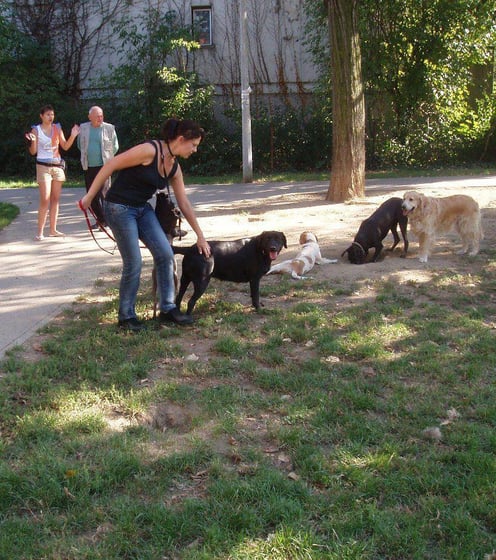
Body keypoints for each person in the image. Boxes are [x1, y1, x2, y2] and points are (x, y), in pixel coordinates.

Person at [78, 117, 211, 332]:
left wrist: (200, 235)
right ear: (181, 139)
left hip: (141, 208)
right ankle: (126, 316)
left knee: (165, 253)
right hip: (119, 207)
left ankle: (168, 308)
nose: (195, 150)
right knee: (134, 261)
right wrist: (89, 197)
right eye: (194, 145)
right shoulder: (149, 150)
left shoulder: (174, 167)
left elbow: (184, 203)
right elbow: (111, 164)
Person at [25, 105, 80, 240]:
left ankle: (53, 230)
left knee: (55, 199)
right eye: (48, 114)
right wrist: (32, 142)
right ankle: (40, 232)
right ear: (41, 116)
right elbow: (33, 152)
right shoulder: (36, 130)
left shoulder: (57, 128)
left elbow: (65, 146)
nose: (51, 117)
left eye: (52, 115)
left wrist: (73, 135)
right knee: (45, 199)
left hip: (57, 166)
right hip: (43, 167)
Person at [77, 106, 119, 228]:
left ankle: (109, 220)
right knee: (91, 195)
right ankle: (101, 220)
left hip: (104, 166)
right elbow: (80, 145)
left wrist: (108, 157)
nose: (100, 118)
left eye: (101, 116)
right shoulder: (83, 128)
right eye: (97, 116)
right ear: (90, 117)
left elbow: (115, 146)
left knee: (104, 194)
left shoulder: (109, 128)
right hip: (89, 166)